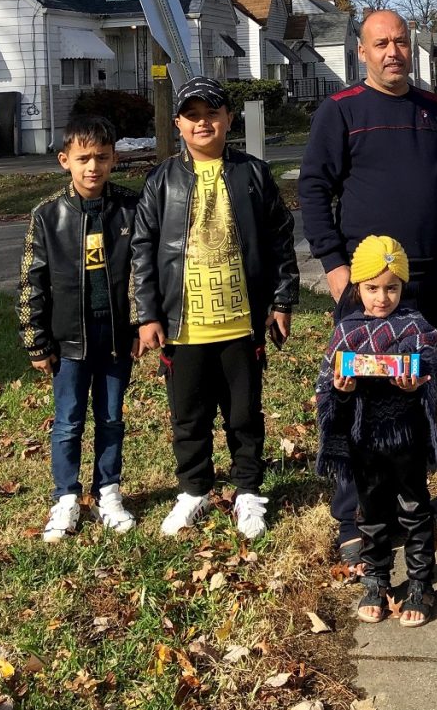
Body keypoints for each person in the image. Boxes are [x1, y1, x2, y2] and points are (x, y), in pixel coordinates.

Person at [299, 9, 437, 561]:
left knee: (416, 396)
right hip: (370, 290)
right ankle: (357, 515)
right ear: (362, 53)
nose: (393, 51)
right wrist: (338, 269)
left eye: (400, 41)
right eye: (381, 43)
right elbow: (314, 192)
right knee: (361, 401)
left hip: (429, 286)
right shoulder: (340, 111)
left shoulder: (433, 110)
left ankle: (410, 503)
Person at [132, 76, 299, 541]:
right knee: (188, 415)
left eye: (212, 114)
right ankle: (194, 489)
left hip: (240, 322)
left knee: (244, 413)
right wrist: (147, 313)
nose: (203, 123)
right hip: (183, 326)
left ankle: (248, 490)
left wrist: (282, 299)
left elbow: (280, 238)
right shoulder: (162, 180)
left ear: (228, 119)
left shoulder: (253, 174)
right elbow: (143, 249)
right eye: (193, 116)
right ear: (179, 124)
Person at [17, 115, 139, 542]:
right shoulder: (47, 216)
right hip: (69, 341)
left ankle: (108, 491)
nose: (93, 168)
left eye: (102, 158)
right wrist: (36, 340)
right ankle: (66, 497)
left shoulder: (130, 207)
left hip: (115, 337)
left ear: (114, 159)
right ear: (64, 160)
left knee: (110, 418)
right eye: (84, 158)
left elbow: (143, 271)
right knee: (69, 421)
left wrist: (140, 324)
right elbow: (31, 280)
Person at [315, 236, 437, 627]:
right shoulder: (347, 331)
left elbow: (430, 368)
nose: (382, 298)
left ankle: (421, 582)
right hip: (364, 437)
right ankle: (376, 577)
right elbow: (327, 382)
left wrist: (417, 380)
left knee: (414, 507)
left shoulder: (417, 327)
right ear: (357, 287)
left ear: (403, 287)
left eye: (392, 288)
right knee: (371, 509)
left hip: (406, 435)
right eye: (372, 288)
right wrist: (340, 387)